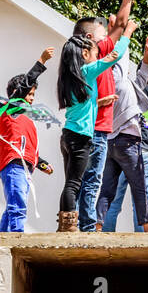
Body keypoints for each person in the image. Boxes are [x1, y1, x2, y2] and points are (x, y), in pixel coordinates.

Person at [73, 0, 142, 232]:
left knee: (81, 180)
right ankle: (87, 227)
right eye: (104, 31)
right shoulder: (98, 53)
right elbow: (122, 27)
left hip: (84, 128)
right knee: (92, 181)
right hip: (97, 129)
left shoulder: (77, 58)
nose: (108, 33)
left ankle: (77, 223)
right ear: (91, 37)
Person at [56, 16, 133, 233]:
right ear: (84, 53)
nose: (98, 55)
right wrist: (127, 33)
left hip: (68, 135)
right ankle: (71, 227)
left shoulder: (70, 76)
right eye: (95, 52)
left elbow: (81, 106)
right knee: (75, 184)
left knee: (71, 183)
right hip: (81, 137)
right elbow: (114, 56)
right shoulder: (88, 71)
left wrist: (100, 102)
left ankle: (64, 224)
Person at [104, 39, 148, 232]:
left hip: (117, 145)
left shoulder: (126, 87)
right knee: (141, 200)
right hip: (143, 152)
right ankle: (143, 243)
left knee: (113, 198)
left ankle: (105, 236)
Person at [94, 35, 148, 233]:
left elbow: (141, 80)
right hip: (127, 142)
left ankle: (97, 227)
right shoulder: (117, 80)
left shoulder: (123, 84)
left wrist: (146, 59)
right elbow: (121, 55)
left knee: (107, 190)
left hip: (111, 143)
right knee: (140, 188)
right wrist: (123, 32)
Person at [0, 46, 56, 232]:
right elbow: (25, 85)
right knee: (17, 207)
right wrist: (42, 60)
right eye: (29, 94)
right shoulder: (10, 108)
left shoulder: (26, 118)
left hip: (25, 167)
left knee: (12, 208)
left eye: (32, 95)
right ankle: (16, 239)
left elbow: (28, 147)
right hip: (14, 165)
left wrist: (40, 162)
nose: (31, 99)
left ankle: (0, 240)